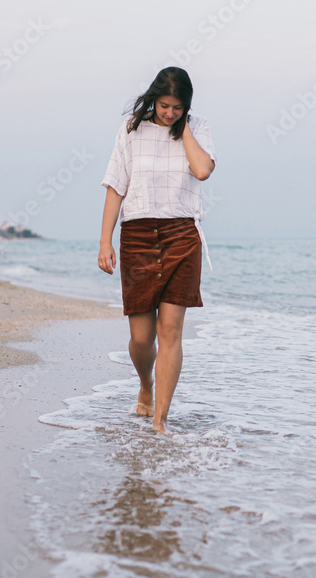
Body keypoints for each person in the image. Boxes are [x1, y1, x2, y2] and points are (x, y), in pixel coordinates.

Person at [97, 67, 217, 434]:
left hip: (182, 235)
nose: (170, 114)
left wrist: (184, 130)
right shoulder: (131, 130)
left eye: (178, 108)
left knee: (171, 331)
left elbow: (202, 170)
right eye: (165, 106)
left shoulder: (197, 128)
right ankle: (146, 384)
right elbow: (116, 186)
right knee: (140, 338)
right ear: (153, 99)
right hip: (138, 235)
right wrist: (105, 241)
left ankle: (160, 419)